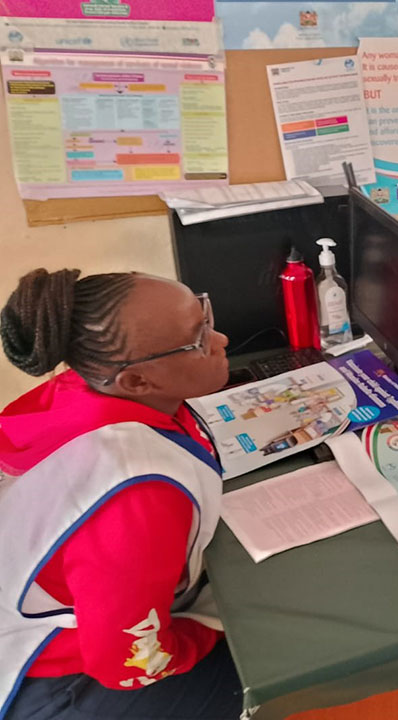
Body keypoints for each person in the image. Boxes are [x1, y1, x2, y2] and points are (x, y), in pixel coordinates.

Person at [0, 269, 242, 719]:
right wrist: (210, 631)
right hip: (53, 678)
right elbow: (127, 661)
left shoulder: (80, 386)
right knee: (272, 668)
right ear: (135, 382)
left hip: (56, 616)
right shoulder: (136, 494)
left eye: (205, 317)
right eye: (199, 339)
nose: (221, 339)